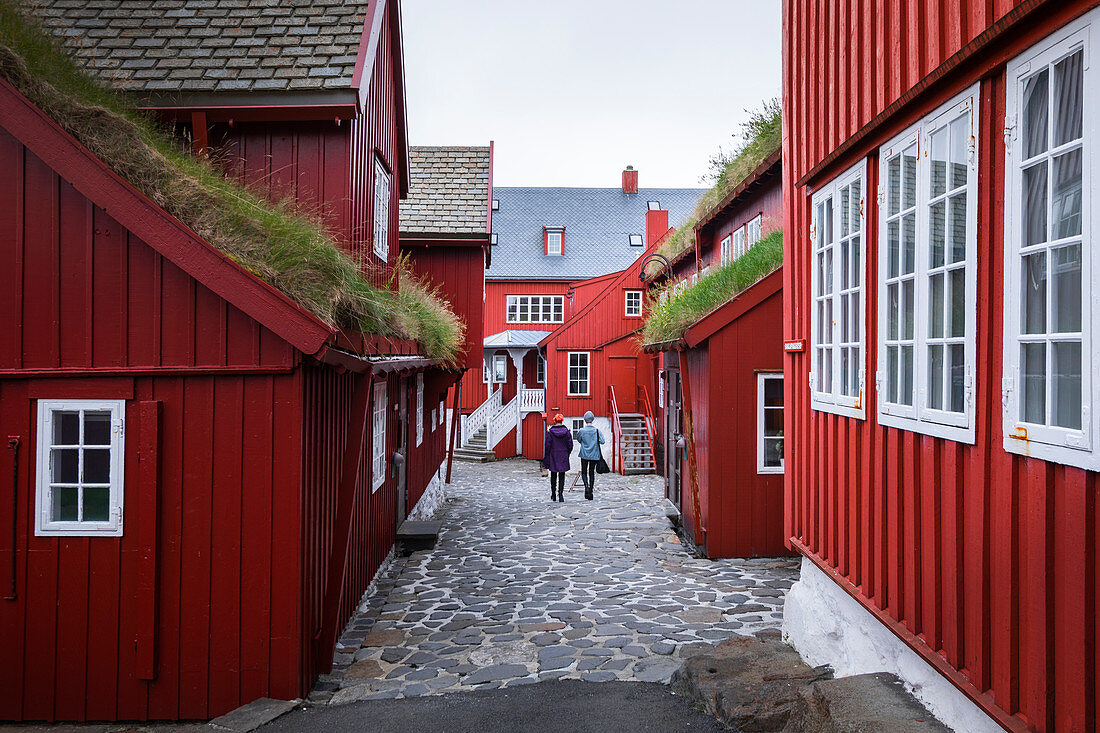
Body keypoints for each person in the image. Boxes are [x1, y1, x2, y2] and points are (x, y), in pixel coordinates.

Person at [542, 413, 573, 502]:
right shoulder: (567, 432)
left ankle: (553, 494)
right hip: (563, 454)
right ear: (562, 420)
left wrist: (547, 455)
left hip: (553, 455)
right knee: (562, 475)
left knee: (553, 475)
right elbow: (570, 445)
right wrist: (567, 453)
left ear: (555, 421)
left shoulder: (551, 432)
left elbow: (547, 445)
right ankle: (561, 494)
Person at [576, 411, 605, 500]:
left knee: (584, 472)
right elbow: (602, 441)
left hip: (584, 454)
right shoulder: (596, 431)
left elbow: (578, 439)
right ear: (592, 419)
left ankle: (586, 487)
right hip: (594, 454)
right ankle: (591, 490)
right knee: (591, 472)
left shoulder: (582, 430)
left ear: (585, 420)